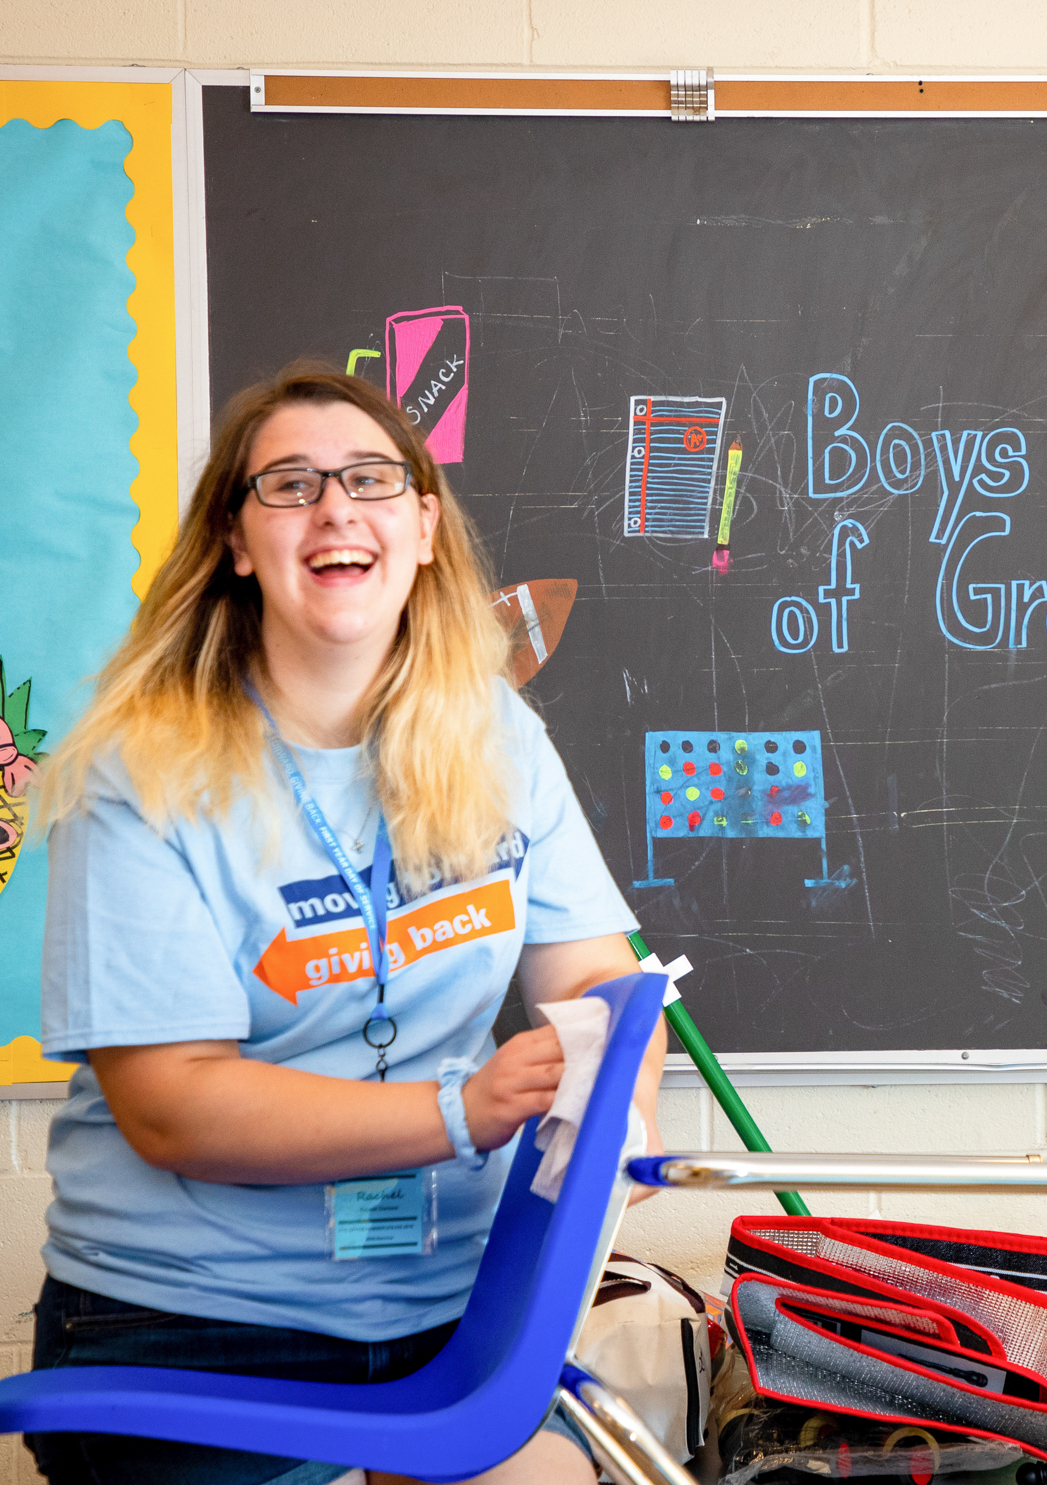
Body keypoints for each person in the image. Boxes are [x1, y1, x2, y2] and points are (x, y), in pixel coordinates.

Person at [30, 364, 662, 1485]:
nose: (335, 509)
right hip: (192, 1324)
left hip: (459, 1306)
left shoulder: (495, 737)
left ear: (422, 527)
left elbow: (602, 990)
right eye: (290, 485)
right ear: (234, 540)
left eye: (371, 478)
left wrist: (612, 1108)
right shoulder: (136, 769)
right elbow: (174, 1108)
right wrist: (459, 1111)